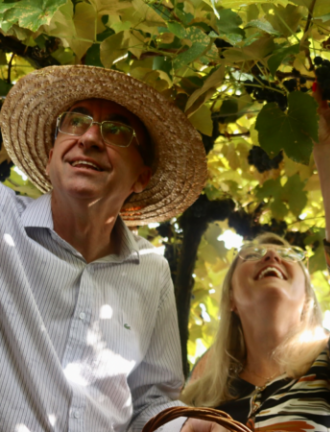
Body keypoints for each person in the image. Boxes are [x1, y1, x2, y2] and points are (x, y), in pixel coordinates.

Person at [0, 65, 229, 431]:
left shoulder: (152, 270)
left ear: (142, 177)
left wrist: (183, 427)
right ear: (49, 156)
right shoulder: (2, 218)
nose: (89, 138)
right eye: (75, 122)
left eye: (118, 131)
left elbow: (151, 400)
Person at [179, 91, 330, 431]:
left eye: (290, 255)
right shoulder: (202, 400)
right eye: (253, 254)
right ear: (231, 297)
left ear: (307, 295)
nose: (272, 254)